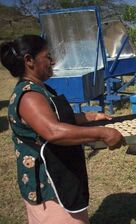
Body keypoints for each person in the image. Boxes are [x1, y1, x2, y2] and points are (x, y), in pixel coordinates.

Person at [0, 34, 125, 224]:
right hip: (49, 187)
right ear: (29, 61)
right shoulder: (29, 96)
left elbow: (57, 117)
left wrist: (89, 117)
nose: (53, 61)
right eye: (47, 56)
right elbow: (53, 131)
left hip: (62, 174)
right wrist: (102, 133)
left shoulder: (41, 89)